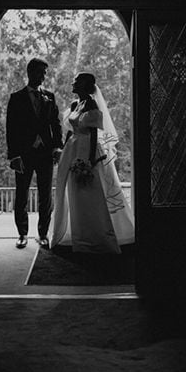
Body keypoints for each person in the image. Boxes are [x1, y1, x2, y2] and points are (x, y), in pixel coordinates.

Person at [51, 72, 135, 254]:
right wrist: (63, 152)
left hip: (86, 148)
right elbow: (70, 131)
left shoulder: (91, 103)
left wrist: (89, 160)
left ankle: (95, 236)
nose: (73, 82)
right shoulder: (75, 104)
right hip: (72, 150)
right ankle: (74, 233)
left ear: (84, 85)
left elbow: (95, 133)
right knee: (71, 190)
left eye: (76, 81)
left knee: (89, 191)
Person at [6, 57, 63, 249]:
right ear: (30, 72)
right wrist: (14, 155)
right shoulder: (16, 97)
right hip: (23, 154)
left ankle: (43, 234)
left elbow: (56, 124)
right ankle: (22, 234)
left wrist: (57, 146)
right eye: (41, 72)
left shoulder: (50, 96)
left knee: (45, 195)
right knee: (21, 194)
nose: (43, 76)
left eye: (45, 73)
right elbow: (11, 128)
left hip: (45, 153)